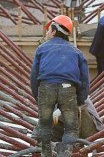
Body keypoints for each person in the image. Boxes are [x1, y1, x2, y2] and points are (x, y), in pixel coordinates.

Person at [30, 15, 90, 157]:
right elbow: (84, 81)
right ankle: (66, 152)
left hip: (46, 88)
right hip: (67, 90)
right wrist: (79, 101)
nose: (46, 33)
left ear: (55, 31)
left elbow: (34, 77)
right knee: (71, 129)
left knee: (45, 126)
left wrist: (38, 97)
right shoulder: (77, 52)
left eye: (48, 30)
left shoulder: (41, 49)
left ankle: (45, 152)